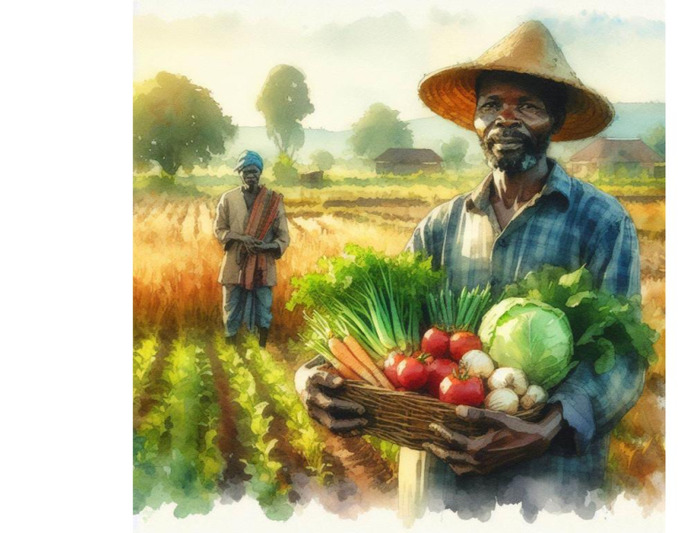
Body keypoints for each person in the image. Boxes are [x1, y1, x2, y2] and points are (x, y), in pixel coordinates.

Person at [295, 21, 645, 521]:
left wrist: (546, 427)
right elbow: (375, 337)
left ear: (557, 121)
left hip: (550, 489)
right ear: (476, 122)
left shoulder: (602, 223)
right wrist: (308, 376)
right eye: (491, 105)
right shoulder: (439, 227)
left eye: (528, 105)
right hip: (438, 485)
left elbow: (625, 357)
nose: (506, 118)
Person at [214, 150, 290, 347]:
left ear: (260, 173)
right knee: (231, 305)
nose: (251, 176)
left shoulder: (273, 201)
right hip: (235, 261)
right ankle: (231, 345)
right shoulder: (228, 199)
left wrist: (266, 246)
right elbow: (219, 229)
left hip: (263, 263)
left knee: (264, 306)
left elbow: (283, 237)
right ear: (239, 173)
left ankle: (262, 346)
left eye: (254, 171)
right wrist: (242, 239)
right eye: (246, 172)